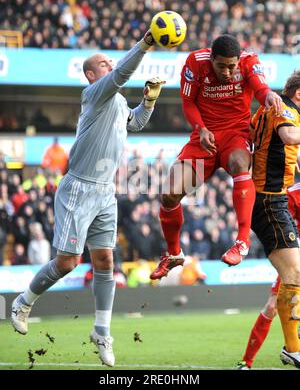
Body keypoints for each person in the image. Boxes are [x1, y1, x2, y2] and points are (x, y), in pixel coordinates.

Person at [11, 30, 165, 368]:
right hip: (78, 188)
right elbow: (122, 73)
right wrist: (145, 43)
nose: (110, 64)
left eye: (110, 61)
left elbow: (136, 123)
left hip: (105, 190)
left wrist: (150, 102)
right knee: (67, 263)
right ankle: (24, 301)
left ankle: (101, 331)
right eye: (104, 63)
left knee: (105, 262)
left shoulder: (119, 101)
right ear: (92, 75)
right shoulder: (94, 94)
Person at [150, 34, 282, 280]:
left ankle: (242, 241)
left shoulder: (249, 61)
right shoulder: (195, 62)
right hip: (204, 137)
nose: (228, 72)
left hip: (236, 134)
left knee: (239, 164)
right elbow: (188, 103)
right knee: (169, 194)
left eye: (232, 66)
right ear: (211, 59)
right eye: (221, 66)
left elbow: (261, 89)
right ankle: (173, 254)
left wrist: (270, 96)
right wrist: (201, 129)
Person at [239, 70, 300, 369]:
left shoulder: (265, 109)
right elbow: (289, 135)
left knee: (293, 279)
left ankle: (291, 348)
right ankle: (293, 349)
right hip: (270, 200)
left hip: (265, 198)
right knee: (295, 276)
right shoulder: (285, 110)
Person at [237, 182, 300, 370]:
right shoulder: (294, 194)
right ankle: (246, 362)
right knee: (272, 305)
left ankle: (293, 348)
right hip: (294, 260)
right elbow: (281, 222)